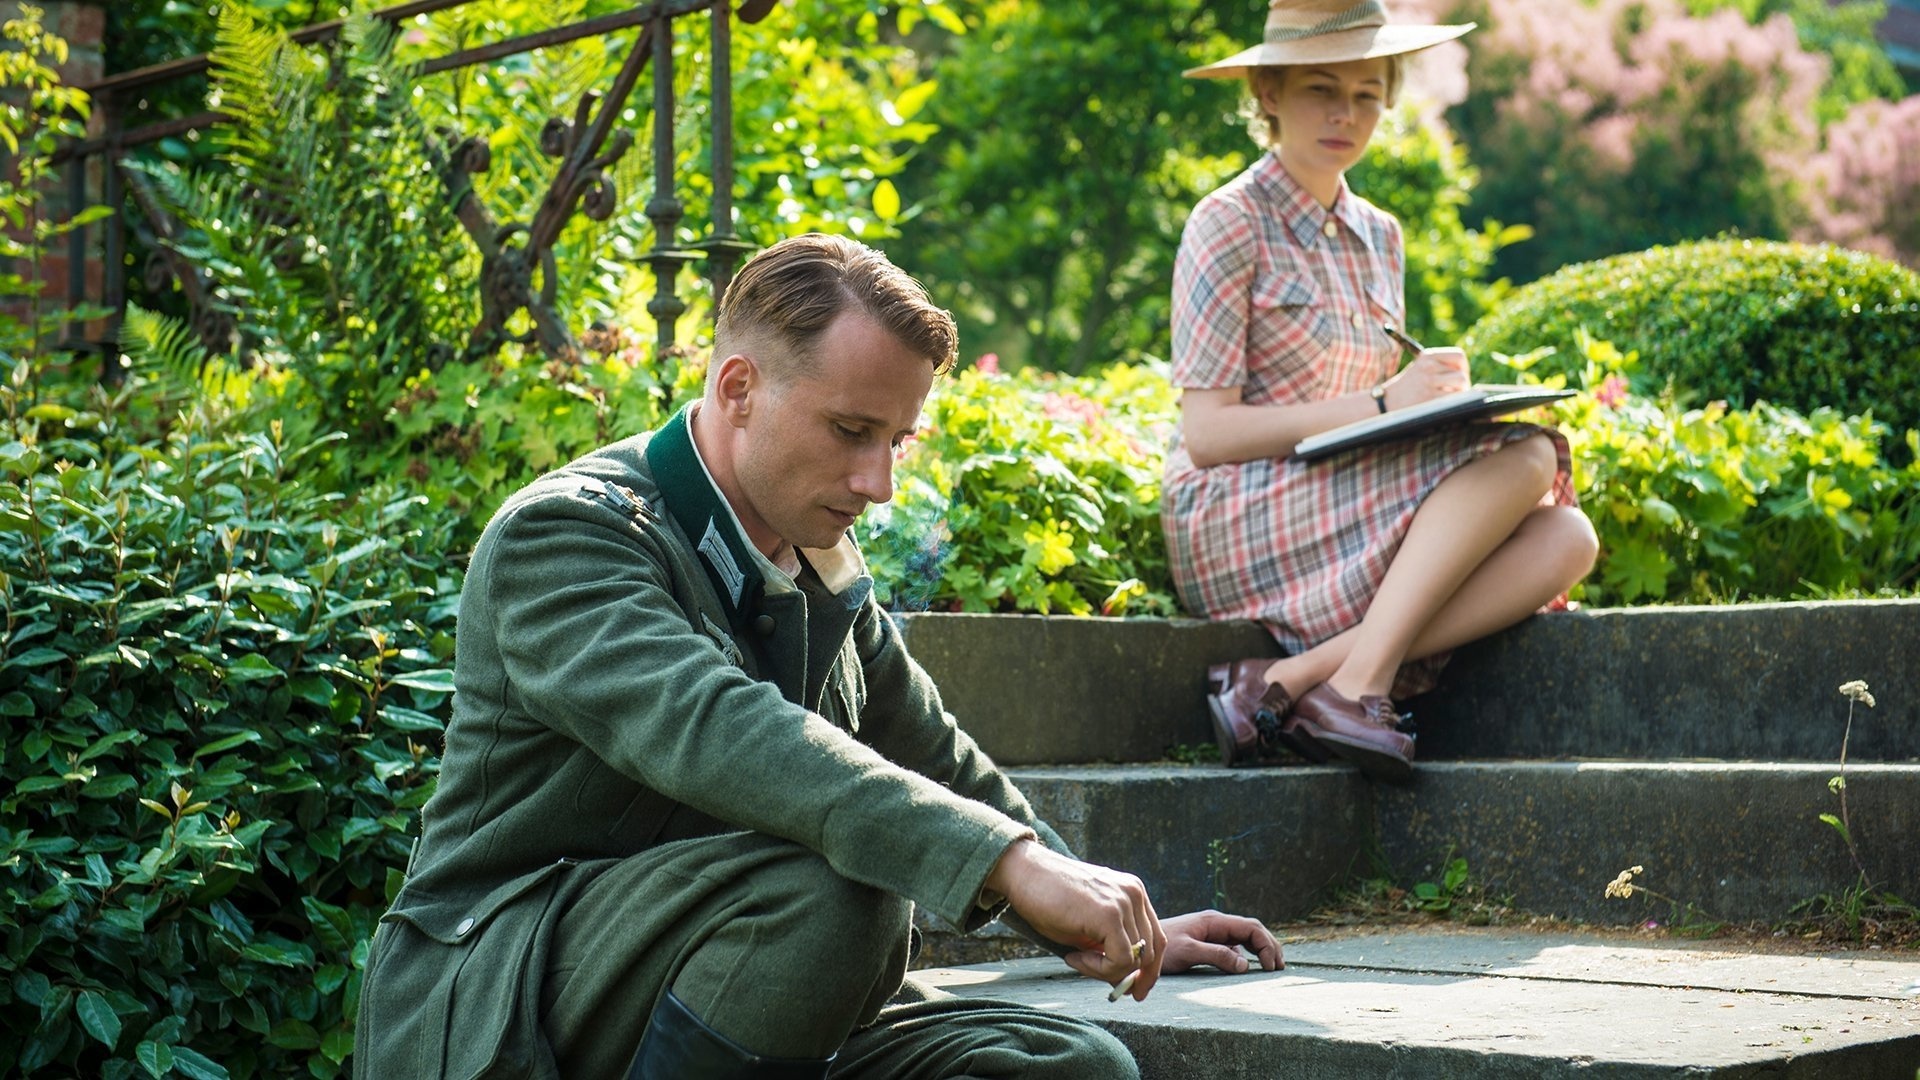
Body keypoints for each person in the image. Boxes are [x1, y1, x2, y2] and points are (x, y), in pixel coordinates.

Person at [353, 233, 1282, 1080]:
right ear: (737, 388)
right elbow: (719, 729)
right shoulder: (566, 538)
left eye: (896, 440)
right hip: (508, 993)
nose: (878, 483)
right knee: (843, 891)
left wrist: (1105, 912)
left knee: (1073, 1066)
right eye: (851, 431)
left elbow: (929, 751)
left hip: (747, 988)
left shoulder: (812, 556)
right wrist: (1006, 864)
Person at [1164, 0, 1598, 783]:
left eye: (1368, 93)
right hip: (1230, 506)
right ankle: (1358, 687)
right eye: (1319, 90)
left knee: (1569, 539)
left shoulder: (1381, 235)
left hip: (1336, 492)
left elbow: (1373, 412)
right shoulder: (1227, 221)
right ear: (1268, 94)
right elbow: (1208, 435)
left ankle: (1293, 682)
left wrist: (1428, 401)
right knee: (1530, 456)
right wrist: (1384, 405)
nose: (1346, 113)